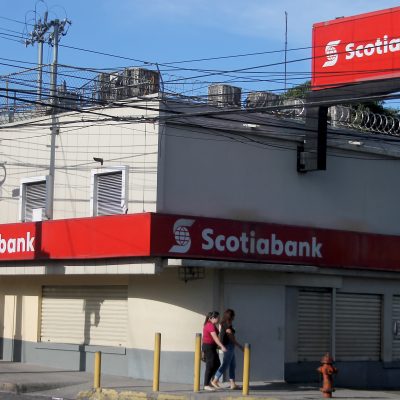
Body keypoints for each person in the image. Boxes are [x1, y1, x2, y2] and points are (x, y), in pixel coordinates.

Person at [211, 309, 243, 390]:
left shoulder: (225, 324)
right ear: (230, 316)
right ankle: (215, 380)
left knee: (232, 365)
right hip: (228, 346)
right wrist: (240, 346)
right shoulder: (227, 325)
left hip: (229, 346)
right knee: (225, 364)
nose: (234, 317)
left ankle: (232, 384)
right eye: (233, 315)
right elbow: (231, 338)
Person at [202, 311, 227, 391]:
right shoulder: (209, 325)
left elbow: (216, 337)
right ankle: (206, 385)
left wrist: (218, 346)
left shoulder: (213, 325)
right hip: (208, 347)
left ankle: (210, 382)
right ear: (212, 318)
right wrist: (222, 346)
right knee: (210, 365)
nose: (219, 319)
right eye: (217, 318)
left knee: (217, 363)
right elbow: (215, 338)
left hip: (212, 346)